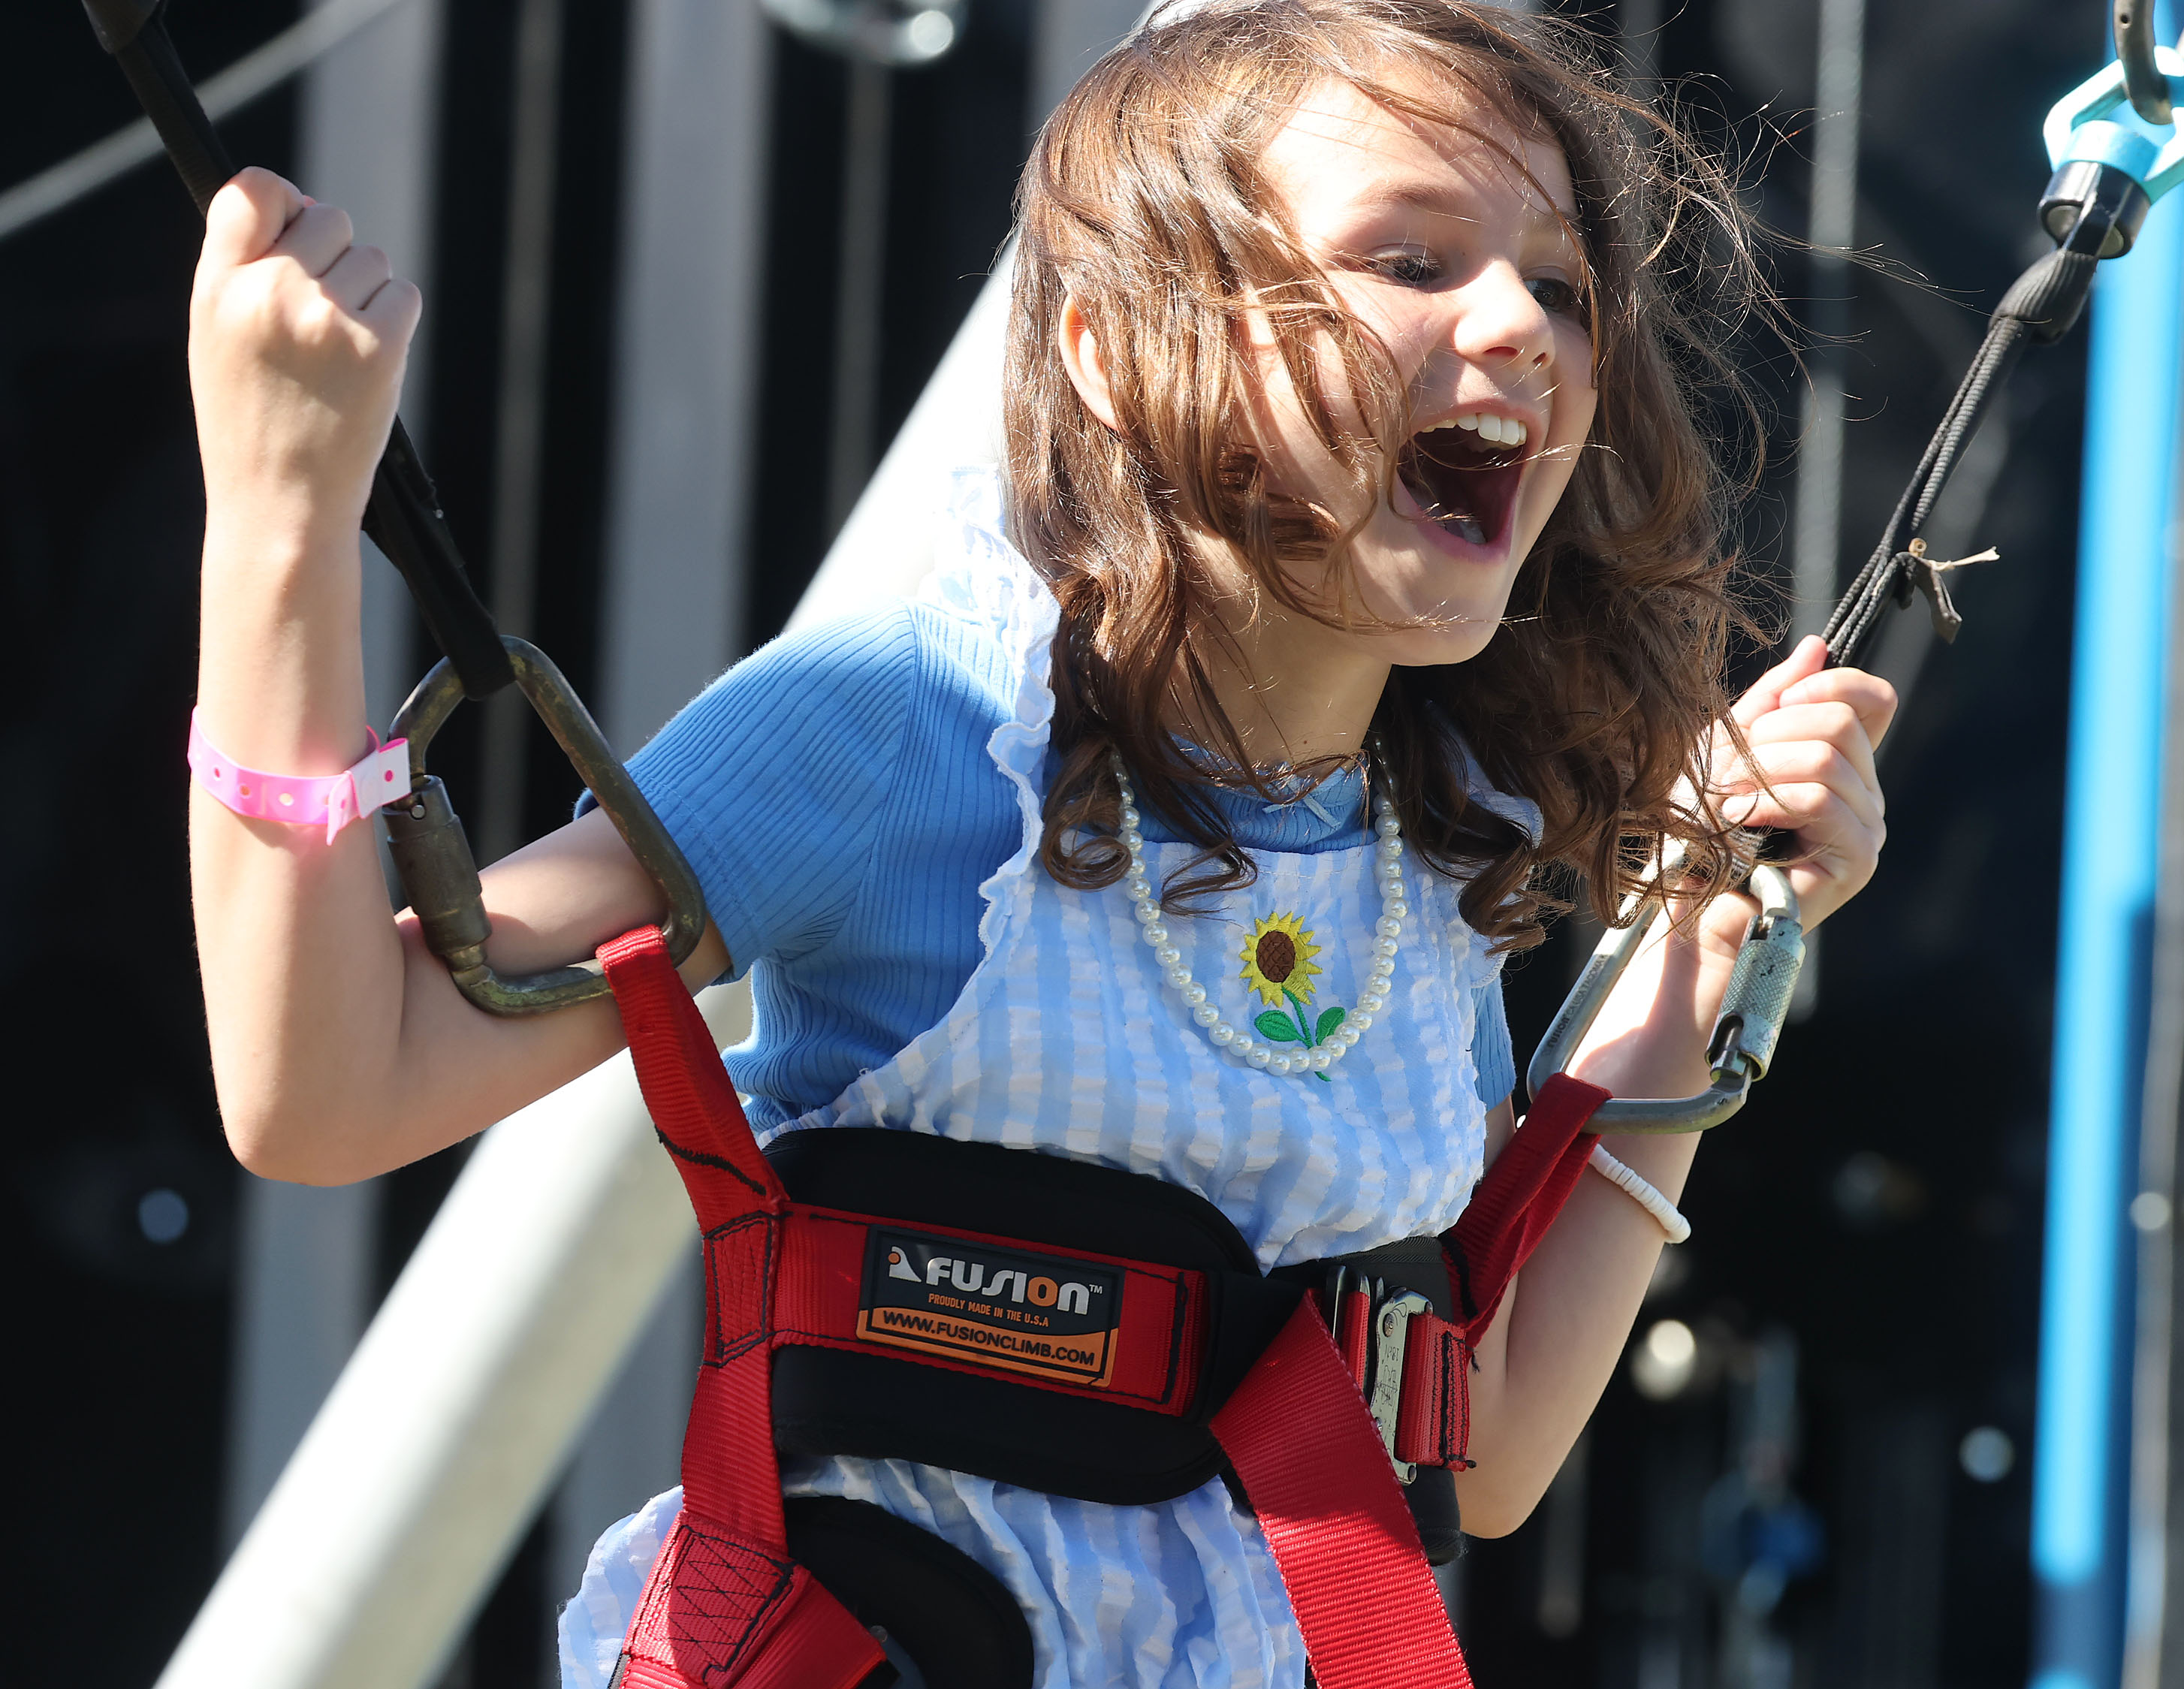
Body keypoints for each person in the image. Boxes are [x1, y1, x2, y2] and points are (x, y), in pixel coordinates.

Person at [183, 0, 1895, 1680]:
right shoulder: (904, 726)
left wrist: (1708, 938)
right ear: (1115, 342)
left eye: (1560, 284)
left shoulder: (1434, 844)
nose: (1521, 326)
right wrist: (283, 518)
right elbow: (332, 1088)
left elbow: (1489, 1444)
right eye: (1412, 258)